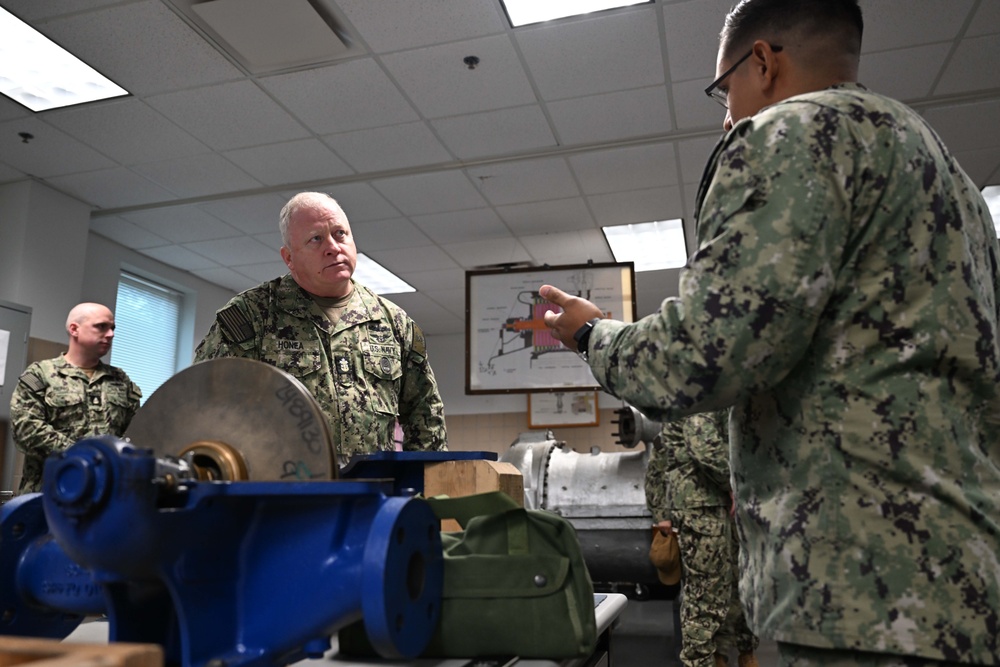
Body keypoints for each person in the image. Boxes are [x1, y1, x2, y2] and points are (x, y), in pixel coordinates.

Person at [540, 0, 1000, 664]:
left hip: (862, 584)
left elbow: (700, 357)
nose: (727, 114)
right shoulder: (945, 173)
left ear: (762, 61)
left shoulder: (787, 134)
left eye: (724, 89)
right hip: (964, 575)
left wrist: (592, 335)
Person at [194, 192, 447, 462]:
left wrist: (426, 487)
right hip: (283, 492)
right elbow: (205, 403)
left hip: (373, 492)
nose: (333, 247)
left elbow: (426, 417)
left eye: (340, 234)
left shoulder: (393, 322)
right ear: (289, 257)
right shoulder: (252, 315)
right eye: (316, 239)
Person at [646, 410, 758, 667]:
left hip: (716, 505)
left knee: (735, 585)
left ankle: (734, 653)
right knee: (707, 592)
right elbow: (702, 446)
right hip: (704, 505)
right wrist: (733, 485)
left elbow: (659, 461)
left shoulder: (688, 395)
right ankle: (702, 660)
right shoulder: (703, 392)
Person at [10, 302, 142, 493]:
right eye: (101, 326)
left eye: (112, 328)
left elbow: (137, 431)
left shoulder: (120, 380)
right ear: (74, 329)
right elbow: (26, 430)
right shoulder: (42, 374)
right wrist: (87, 457)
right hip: (50, 492)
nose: (111, 334)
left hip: (106, 494)